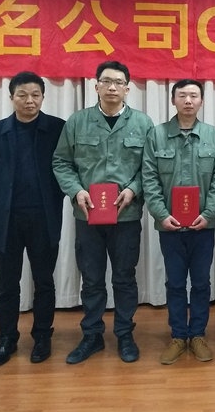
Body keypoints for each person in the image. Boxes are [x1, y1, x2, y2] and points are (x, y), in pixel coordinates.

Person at [52, 61, 153, 364]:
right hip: (88, 216)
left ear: (127, 88)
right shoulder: (77, 122)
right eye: (106, 81)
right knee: (92, 278)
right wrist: (76, 191)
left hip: (126, 215)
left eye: (118, 82)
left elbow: (150, 167)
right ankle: (92, 335)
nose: (112, 87)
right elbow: (61, 162)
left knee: (124, 278)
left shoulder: (142, 123)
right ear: (95, 86)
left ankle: (124, 334)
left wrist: (133, 189)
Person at [0, 71, 66, 367]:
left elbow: (67, 168)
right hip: (7, 220)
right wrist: (5, 198)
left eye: (35, 95)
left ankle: (42, 336)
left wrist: (51, 197)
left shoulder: (57, 129)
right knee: (7, 283)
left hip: (44, 218)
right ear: (11, 97)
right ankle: (7, 338)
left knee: (44, 281)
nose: (30, 100)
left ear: (43, 97)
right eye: (23, 95)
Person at [142, 79, 215, 365]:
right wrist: (160, 214)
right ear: (173, 100)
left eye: (194, 96)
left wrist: (209, 213)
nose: (188, 101)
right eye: (182, 95)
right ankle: (179, 336)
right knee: (176, 283)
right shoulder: (156, 135)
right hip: (169, 226)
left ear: (202, 101)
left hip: (203, 226)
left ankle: (198, 335)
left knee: (201, 282)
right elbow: (149, 178)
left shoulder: (213, 136)